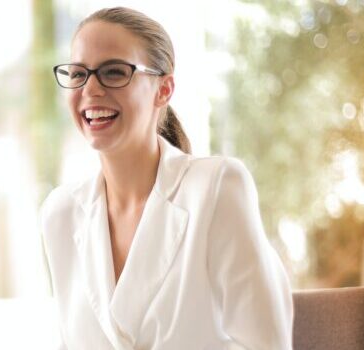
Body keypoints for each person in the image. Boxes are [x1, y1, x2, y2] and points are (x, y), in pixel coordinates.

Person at [40, 7, 293, 349]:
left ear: (164, 89)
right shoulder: (61, 213)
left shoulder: (216, 188)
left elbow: (266, 345)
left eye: (114, 72)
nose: (92, 89)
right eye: (78, 74)